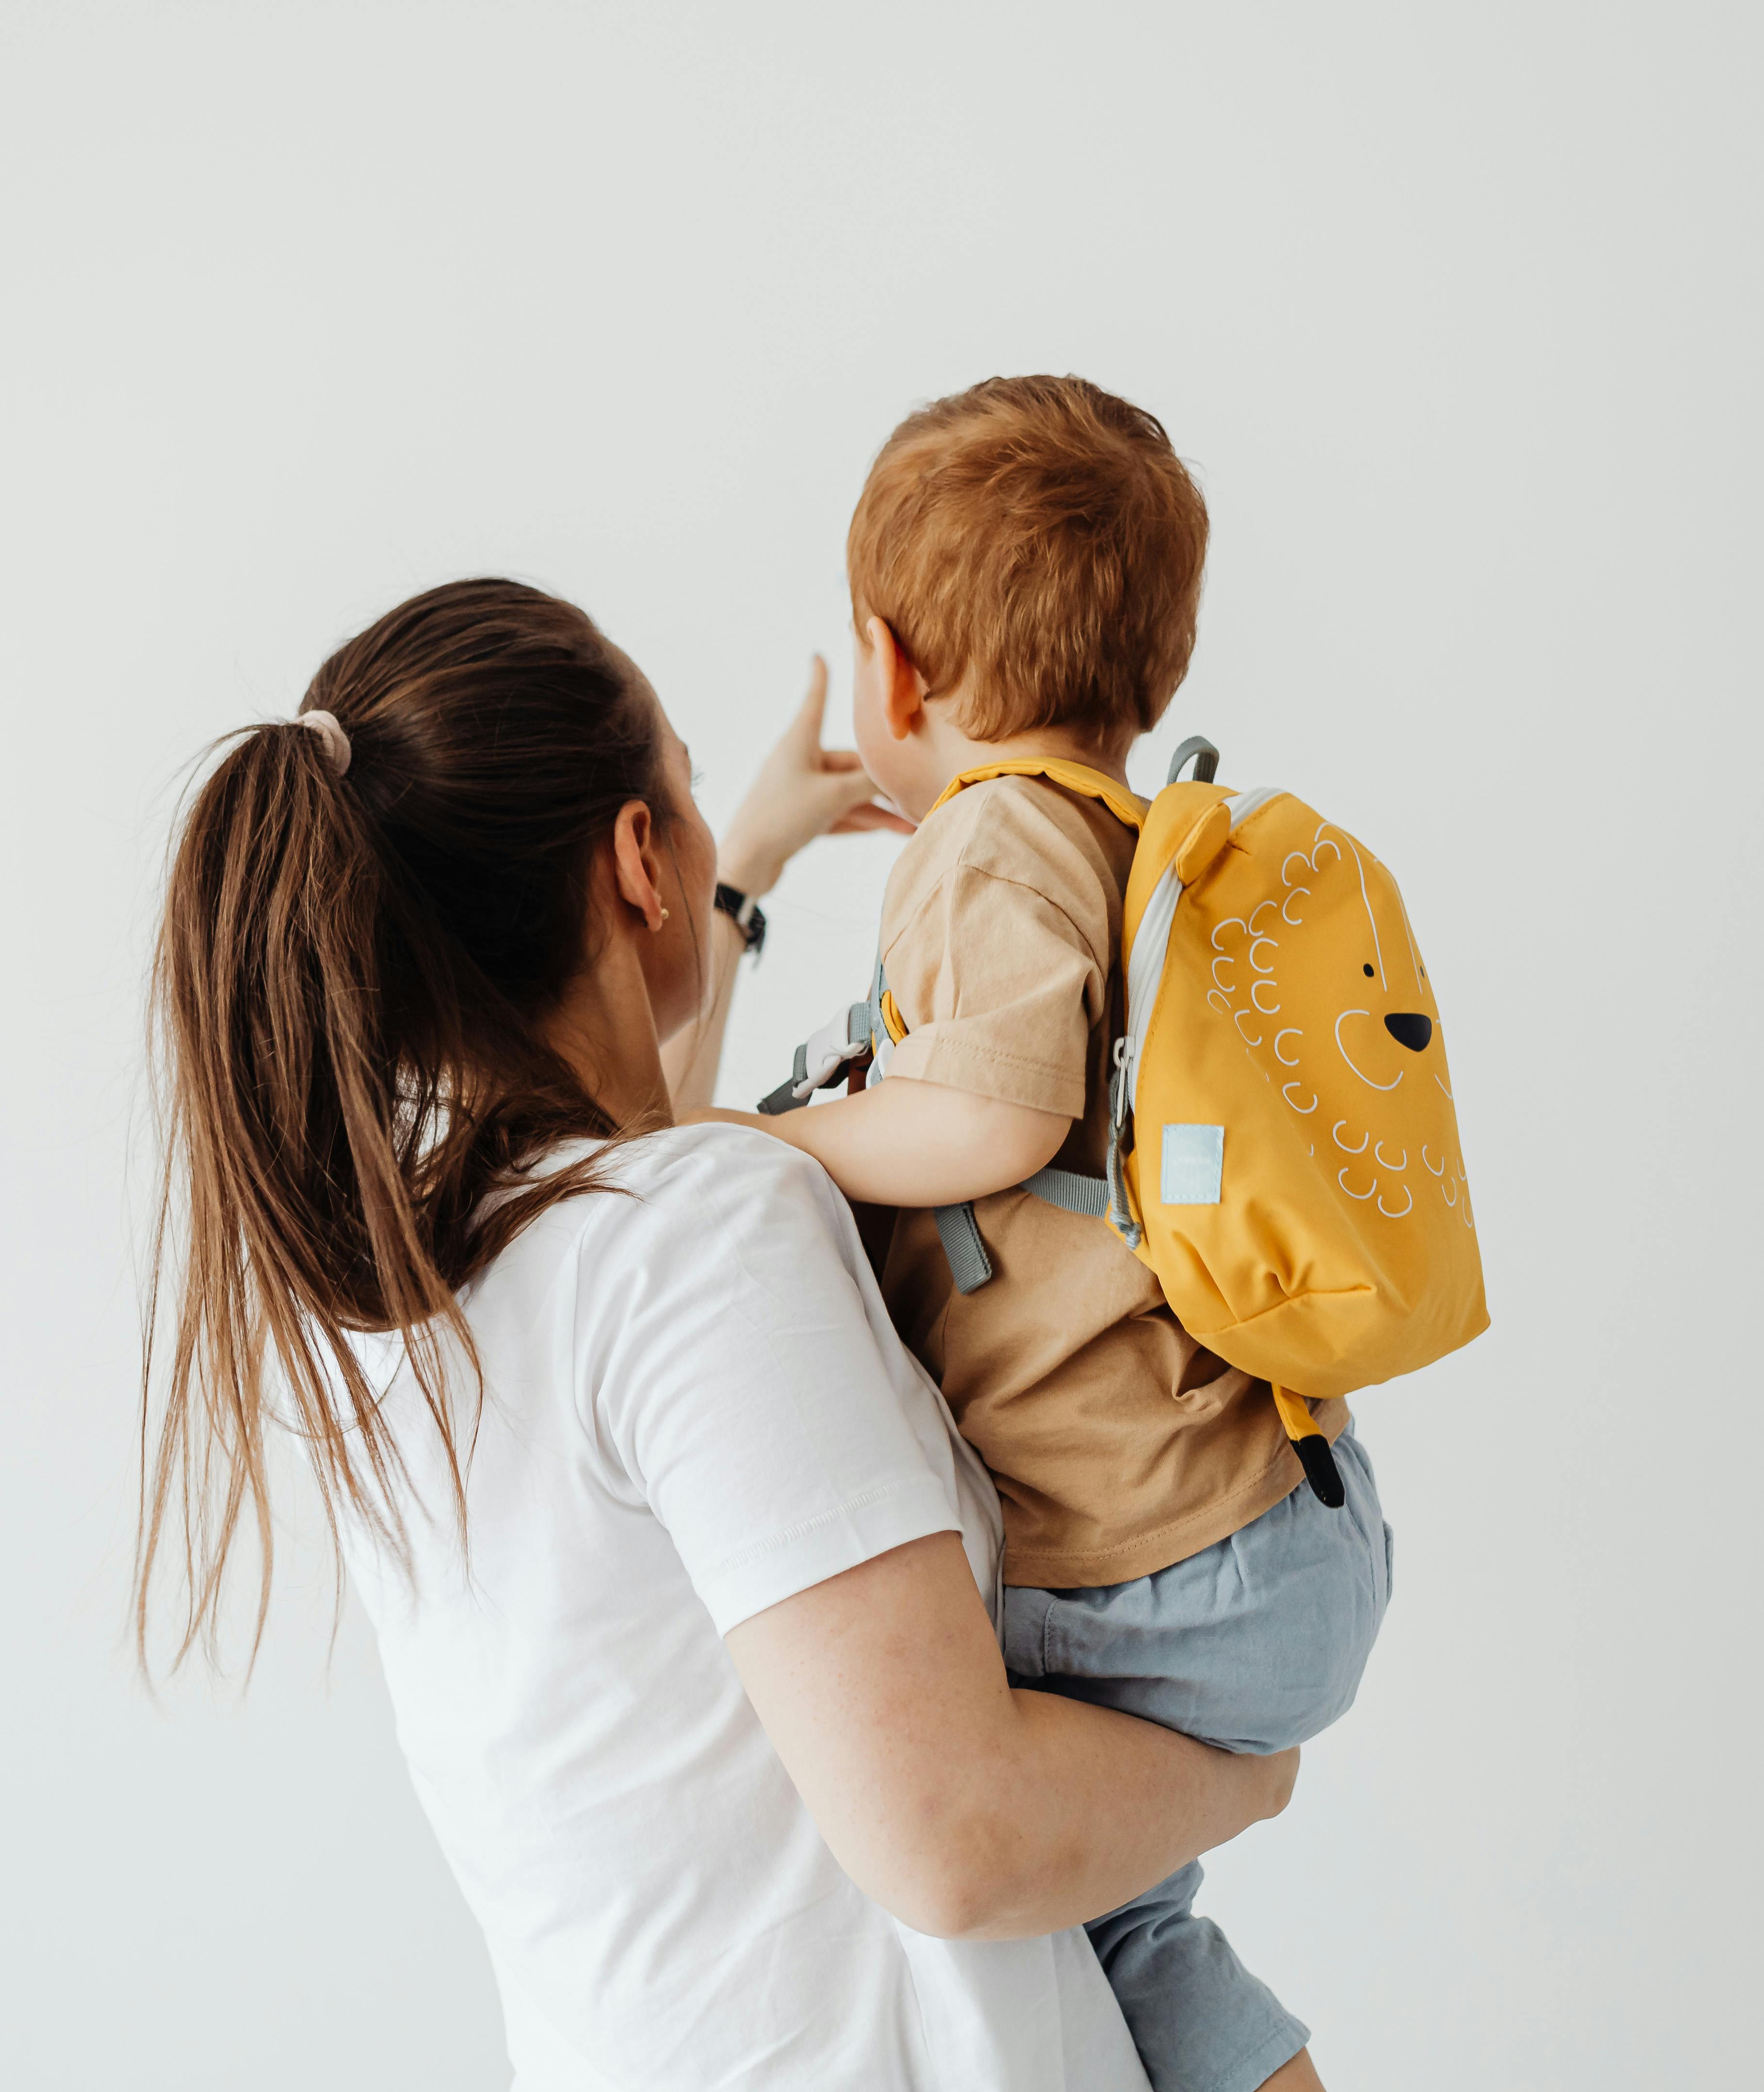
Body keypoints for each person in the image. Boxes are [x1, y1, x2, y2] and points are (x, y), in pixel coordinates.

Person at [139, 577, 1315, 2091]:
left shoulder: (406, 1290)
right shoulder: (692, 1236)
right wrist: (1248, 1772)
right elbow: (958, 1840)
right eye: (679, 803)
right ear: (639, 861)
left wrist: (742, 860)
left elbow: (643, 1156)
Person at [722, 378, 1394, 2092]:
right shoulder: (1104, 835)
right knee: (1123, 1936)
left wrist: (770, 1139)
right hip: (1256, 1526)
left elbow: (1002, 1109)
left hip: (1147, 1558)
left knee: (895, 1775)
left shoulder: (984, 838)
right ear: (1150, 672)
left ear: (890, 667)